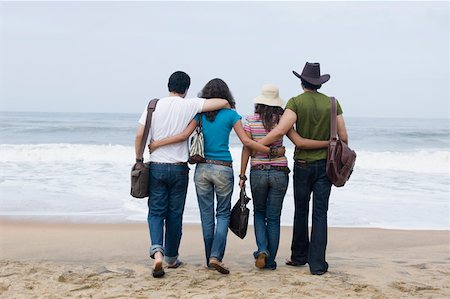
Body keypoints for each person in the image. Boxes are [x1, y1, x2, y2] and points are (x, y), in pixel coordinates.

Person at [149, 78, 284, 275]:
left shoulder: (200, 115)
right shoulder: (231, 115)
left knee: (207, 216)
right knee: (222, 214)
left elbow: (184, 135)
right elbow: (246, 141)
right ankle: (216, 256)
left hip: (202, 170)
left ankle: (208, 259)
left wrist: (157, 144)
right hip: (223, 169)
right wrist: (270, 151)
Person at [134, 71, 231, 278]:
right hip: (179, 169)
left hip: (157, 166)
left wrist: (139, 158)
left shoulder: (153, 105)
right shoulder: (190, 105)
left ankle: (157, 253)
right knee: (174, 214)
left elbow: (140, 133)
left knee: (156, 212)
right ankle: (171, 258)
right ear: (186, 89)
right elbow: (222, 102)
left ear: (168, 85)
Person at [257, 63, 349, 275]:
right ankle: (317, 265)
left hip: (303, 166)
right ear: (319, 83)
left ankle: (298, 256)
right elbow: (343, 137)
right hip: (326, 166)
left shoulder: (296, 102)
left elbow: (281, 130)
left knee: (301, 210)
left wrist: (258, 146)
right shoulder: (333, 104)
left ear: (302, 81)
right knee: (320, 213)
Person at [239, 84, 329, 270]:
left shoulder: (248, 121)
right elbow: (299, 141)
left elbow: (246, 148)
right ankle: (270, 261)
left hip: (258, 171)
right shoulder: (281, 121)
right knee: (274, 217)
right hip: (280, 172)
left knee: (259, 213)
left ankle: (262, 249)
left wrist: (242, 174)